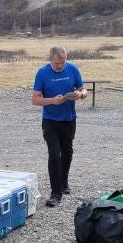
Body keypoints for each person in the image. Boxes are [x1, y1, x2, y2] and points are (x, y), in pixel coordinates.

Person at [31, 46, 87, 207]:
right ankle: (55, 193)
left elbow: (83, 89)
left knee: (67, 151)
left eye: (62, 63)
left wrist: (80, 95)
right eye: (56, 63)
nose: (59, 66)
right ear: (50, 60)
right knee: (54, 154)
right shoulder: (42, 73)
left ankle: (64, 182)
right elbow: (35, 99)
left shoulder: (72, 68)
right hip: (50, 120)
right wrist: (51, 100)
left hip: (68, 118)